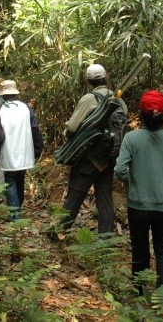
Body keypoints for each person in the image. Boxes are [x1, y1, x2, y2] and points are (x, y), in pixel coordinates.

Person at [113, 90, 163, 293]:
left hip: (138, 204)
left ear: (140, 114)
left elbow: (119, 170)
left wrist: (134, 178)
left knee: (140, 248)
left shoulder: (132, 138)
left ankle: (140, 294)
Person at [60, 63, 127, 235]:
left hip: (88, 158)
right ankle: (105, 239)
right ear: (106, 78)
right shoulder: (119, 100)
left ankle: (59, 231)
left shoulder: (89, 99)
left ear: (88, 81)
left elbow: (72, 128)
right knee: (104, 197)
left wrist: (66, 132)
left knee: (75, 195)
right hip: (109, 158)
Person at [0, 80, 44, 220]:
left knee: (10, 182)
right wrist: (37, 149)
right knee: (20, 179)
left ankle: (15, 216)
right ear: (15, 94)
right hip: (25, 151)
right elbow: (35, 130)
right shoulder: (26, 108)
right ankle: (17, 210)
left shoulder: (1, 110)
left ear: (3, 95)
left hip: (8, 152)